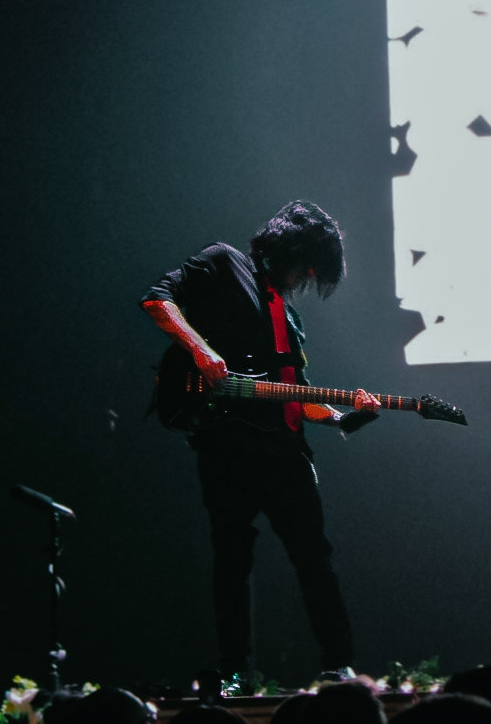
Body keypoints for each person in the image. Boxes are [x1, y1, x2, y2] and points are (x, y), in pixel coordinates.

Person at [140, 200, 379, 687]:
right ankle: (236, 673)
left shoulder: (289, 318)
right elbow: (157, 299)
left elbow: (296, 396)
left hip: (286, 451)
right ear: (289, 247)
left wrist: (342, 417)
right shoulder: (223, 262)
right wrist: (201, 350)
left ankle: (339, 666)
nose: (307, 277)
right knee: (233, 558)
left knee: (314, 557)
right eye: (306, 264)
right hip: (227, 444)